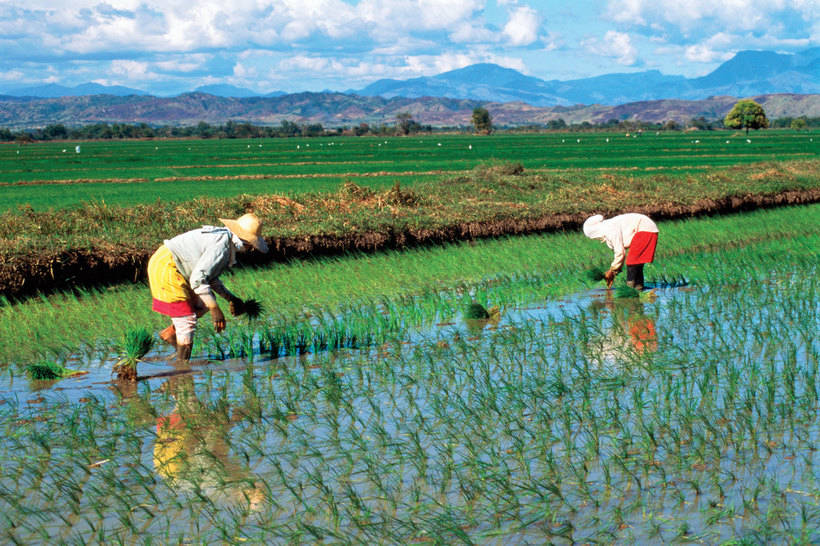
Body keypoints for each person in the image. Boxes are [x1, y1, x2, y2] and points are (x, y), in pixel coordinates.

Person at [147, 213, 269, 361]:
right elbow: (198, 280)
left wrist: (231, 298)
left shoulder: (225, 240)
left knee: (202, 304)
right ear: (245, 242)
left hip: (172, 263)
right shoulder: (222, 247)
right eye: (251, 246)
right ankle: (182, 369)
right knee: (187, 320)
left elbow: (210, 277)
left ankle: (172, 334)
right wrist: (215, 310)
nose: (250, 250)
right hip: (167, 267)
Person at [583, 213, 658, 290]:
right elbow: (620, 253)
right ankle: (638, 288)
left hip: (645, 229)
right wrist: (614, 272)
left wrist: (612, 270)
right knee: (636, 264)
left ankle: (630, 289)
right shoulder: (608, 226)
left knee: (632, 262)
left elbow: (620, 253)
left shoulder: (609, 228)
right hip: (646, 229)